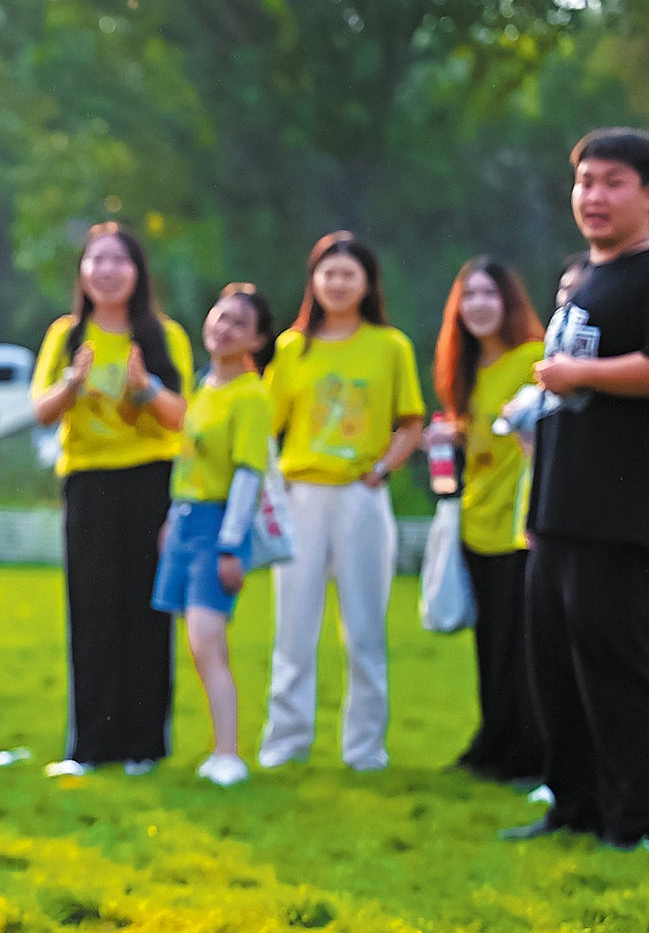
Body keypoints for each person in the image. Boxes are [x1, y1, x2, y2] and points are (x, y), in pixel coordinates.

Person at [506, 129, 649, 851]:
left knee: (619, 666)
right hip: (558, 507)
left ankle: (635, 819)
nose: (594, 196)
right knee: (555, 665)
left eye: (612, 182)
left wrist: (580, 374)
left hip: (622, 512)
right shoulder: (584, 276)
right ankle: (574, 806)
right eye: (584, 182)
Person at [259, 232, 424, 773]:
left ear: (367, 282)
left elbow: (410, 424)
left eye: (348, 274)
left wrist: (380, 469)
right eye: (327, 273)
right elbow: (265, 426)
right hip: (301, 493)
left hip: (361, 495)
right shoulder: (291, 348)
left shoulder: (390, 345)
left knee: (366, 629)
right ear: (313, 281)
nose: (336, 283)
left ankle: (365, 749)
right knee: (293, 627)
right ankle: (285, 743)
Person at [31, 223, 192, 774]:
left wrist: (145, 388)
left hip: (150, 479)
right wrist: (73, 383)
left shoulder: (162, 335)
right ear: (82, 272)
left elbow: (184, 418)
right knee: (92, 611)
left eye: (118, 261)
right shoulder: (66, 335)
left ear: (137, 273)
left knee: (147, 611)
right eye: (96, 260)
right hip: (87, 484)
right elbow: (41, 411)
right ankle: (91, 748)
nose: (106, 270)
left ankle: (144, 745)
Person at [153, 286, 276, 786]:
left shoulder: (251, 395)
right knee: (197, 642)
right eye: (220, 317)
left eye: (238, 324)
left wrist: (229, 546)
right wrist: (170, 518)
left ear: (257, 339)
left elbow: (249, 474)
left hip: (218, 526)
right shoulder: (205, 387)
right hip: (184, 520)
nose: (223, 329)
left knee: (208, 640)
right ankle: (216, 747)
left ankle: (229, 753)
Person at [432, 257, 547, 785]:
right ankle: (493, 742)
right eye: (469, 295)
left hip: (519, 525)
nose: (478, 305)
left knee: (521, 645)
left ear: (509, 303)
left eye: (488, 294)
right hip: (475, 523)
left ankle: (527, 752)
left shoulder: (533, 359)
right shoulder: (462, 371)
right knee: (489, 643)